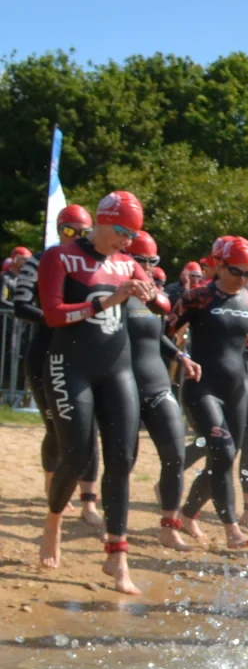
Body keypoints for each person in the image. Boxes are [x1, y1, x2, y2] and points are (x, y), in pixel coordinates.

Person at [36, 192, 156, 593]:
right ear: (103, 223)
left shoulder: (128, 262)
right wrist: (111, 299)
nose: (128, 241)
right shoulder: (61, 257)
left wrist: (151, 294)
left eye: (134, 235)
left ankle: (117, 558)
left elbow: (162, 303)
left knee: (122, 458)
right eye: (123, 232)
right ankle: (53, 521)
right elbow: (53, 313)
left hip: (116, 368)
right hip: (71, 366)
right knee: (76, 456)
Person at [171, 236, 248, 546]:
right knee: (223, 451)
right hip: (201, 387)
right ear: (218, 266)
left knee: (224, 458)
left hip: (235, 390)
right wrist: (180, 356)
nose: (244, 279)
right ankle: (232, 528)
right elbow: (162, 333)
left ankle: (189, 515)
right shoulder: (197, 298)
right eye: (238, 271)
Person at [15, 203, 105, 528]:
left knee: (89, 429)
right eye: (69, 231)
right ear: (58, 230)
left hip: (84, 356)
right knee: (56, 429)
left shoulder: (98, 263)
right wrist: (60, 318)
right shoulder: (41, 260)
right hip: (45, 354)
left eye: (83, 233)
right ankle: (52, 485)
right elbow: (21, 305)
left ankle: (88, 503)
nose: (76, 238)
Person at [123, 231, 196, 550]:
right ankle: (117, 527)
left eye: (153, 261)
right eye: (141, 261)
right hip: (122, 385)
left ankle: (169, 525)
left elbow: (158, 337)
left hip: (157, 383)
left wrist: (180, 355)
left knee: (176, 454)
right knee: (123, 461)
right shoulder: (114, 292)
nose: (147, 268)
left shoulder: (155, 294)